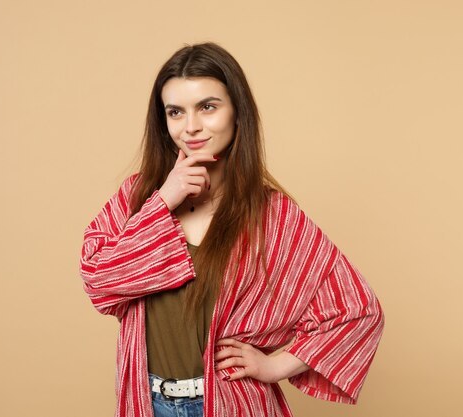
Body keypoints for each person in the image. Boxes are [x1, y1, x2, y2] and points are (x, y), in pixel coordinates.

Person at [79, 42, 384, 417]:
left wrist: (275, 366)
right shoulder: (138, 197)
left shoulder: (271, 214)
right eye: (175, 112)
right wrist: (164, 201)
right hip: (147, 402)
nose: (191, 126)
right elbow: (98, 280)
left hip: (232, 404)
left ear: (237, 113)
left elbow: (357, 310)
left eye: (207, 107)